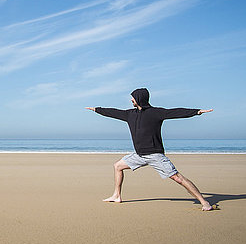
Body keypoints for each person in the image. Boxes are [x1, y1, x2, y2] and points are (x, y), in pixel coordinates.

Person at [85, 88, 214, 211]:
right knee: (118, 166)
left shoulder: (156, 113)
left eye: (133, 98)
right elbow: (113, 112)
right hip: (139, 155)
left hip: (155, 155)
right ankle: (117, 196)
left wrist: (196, 112)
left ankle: (204, 202)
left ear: (140, 98)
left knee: (177, 178)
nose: (131, 100)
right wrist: (97, 109)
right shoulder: (130, 114)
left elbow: (175, 112)